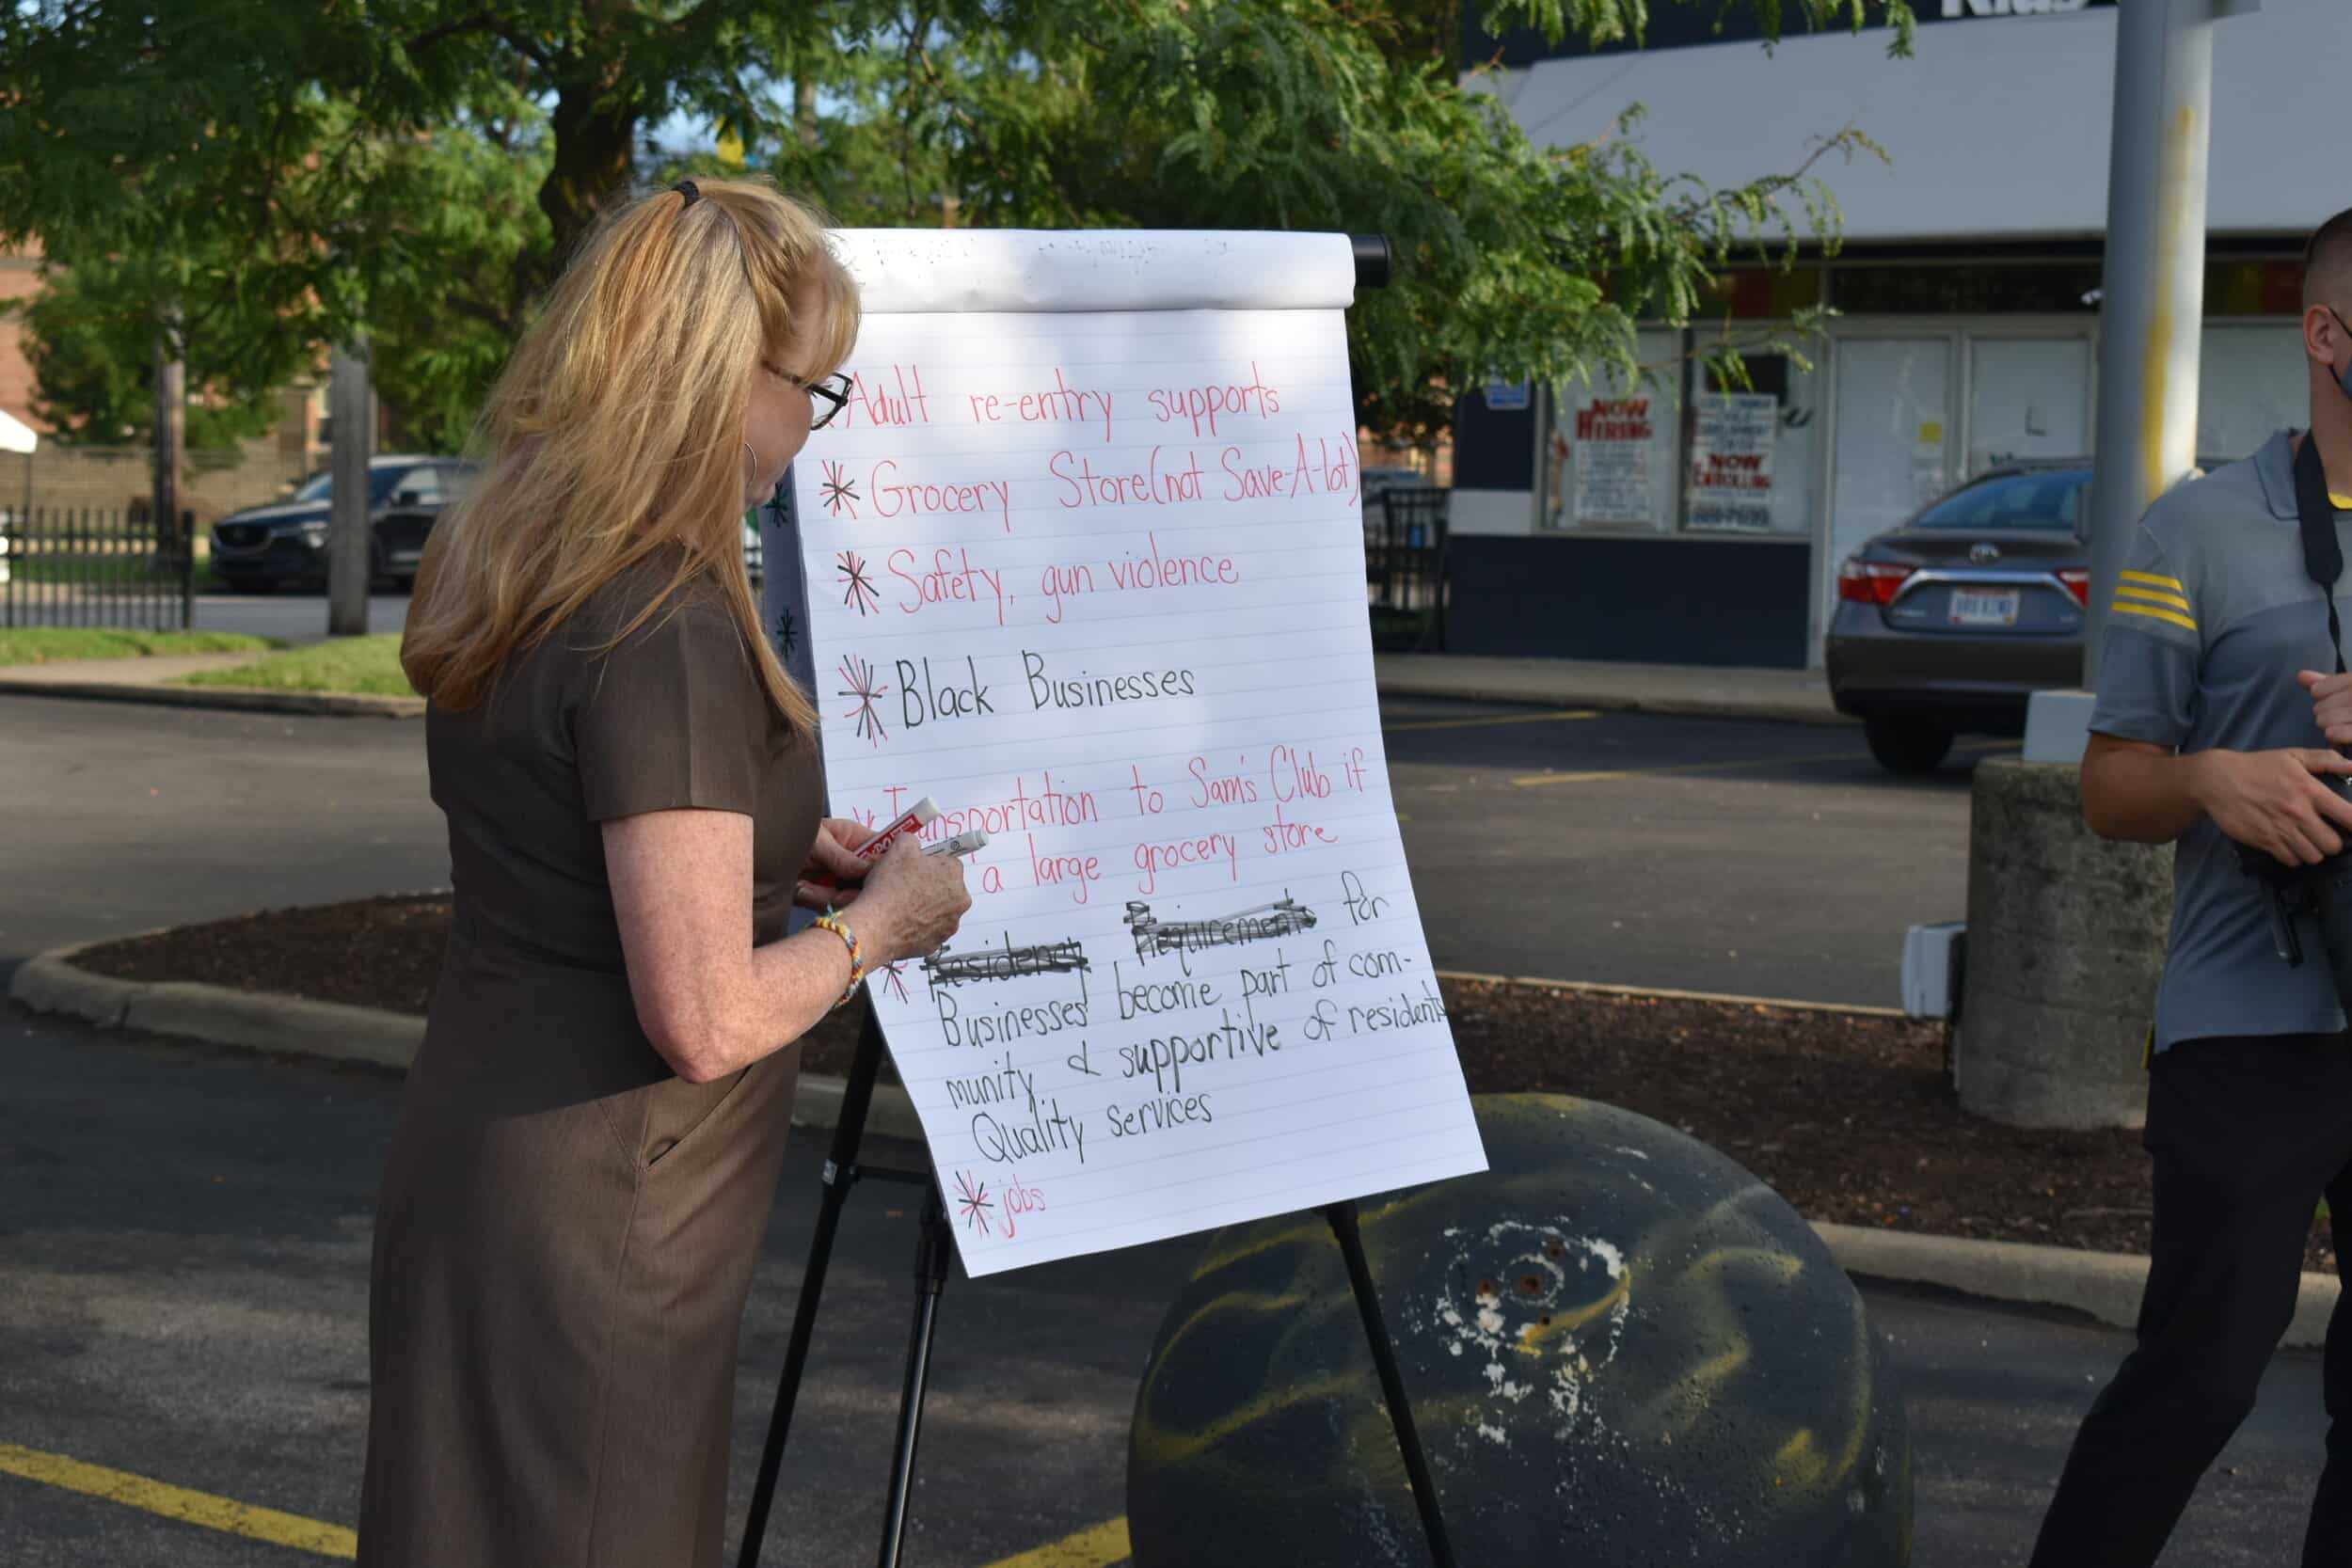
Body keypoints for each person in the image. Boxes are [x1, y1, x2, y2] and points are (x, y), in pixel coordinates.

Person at [357, 177, 971, 1567]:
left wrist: (772, 843)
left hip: (485, 1157)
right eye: (810, 388)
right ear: (715, 379)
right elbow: (702, 1017)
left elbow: (569, 821)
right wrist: (883, 925)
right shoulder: (666, 618)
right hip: (611, 1204)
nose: (810, 428)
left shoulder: (514, 555)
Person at [2031, 208, 2352, 1566]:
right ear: (2328, 334)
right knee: (2204, 1371)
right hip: (2252, 1022)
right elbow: (2112, 788)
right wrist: (2216, 779)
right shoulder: (2201, 526)